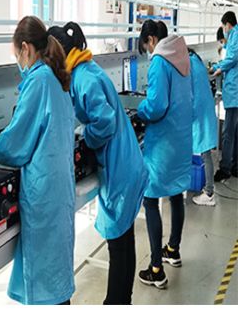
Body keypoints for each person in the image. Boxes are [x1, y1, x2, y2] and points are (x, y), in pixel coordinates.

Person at [48, 22, 148, 304]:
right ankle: (122, 300)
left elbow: (104, 122)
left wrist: (84, 134)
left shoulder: (84, 78)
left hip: (119, 166)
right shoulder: (85, 70)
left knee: (119, 244)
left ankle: (115, 302)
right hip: (125, 160)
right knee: (124, 239)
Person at [0, 16, 75, 305]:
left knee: (46, 284)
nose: (18, 63)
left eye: (16, 56)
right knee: (55, 276)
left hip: (44, 194)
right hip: (60, 188)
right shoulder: (55, 78)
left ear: (25, 48)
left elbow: (16, 142)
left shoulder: (38, 81)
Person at [136, 20, 192, 289]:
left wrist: (140, 109)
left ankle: (156, 269)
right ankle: (173, 249)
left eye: (146, 46)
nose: (149, 51)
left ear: (151, 39)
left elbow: (156, 106)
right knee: (176, 194)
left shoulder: (159, 61)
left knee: (150, 199)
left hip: (164, 143)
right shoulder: (183, 57)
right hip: (181, 139)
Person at [189, 49, 219, 206]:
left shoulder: (189, 65)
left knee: (205, 153)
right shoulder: (196, 61)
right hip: (205, 111)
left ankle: (209, 192)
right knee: (205, 152)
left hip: (200, 114)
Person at [212, 11, 238, 181]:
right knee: (235, 131)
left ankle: (225, 168)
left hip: (235, 92)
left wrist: (219, 68)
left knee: (228, 132)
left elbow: (232, 58)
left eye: (223, 26)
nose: (224, 30)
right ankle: (235, 166)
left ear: (228, 24)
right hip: (235, 92)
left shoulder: (235, 35)